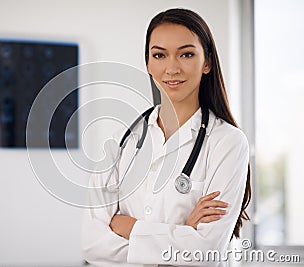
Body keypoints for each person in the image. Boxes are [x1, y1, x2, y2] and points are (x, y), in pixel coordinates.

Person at [82, 8, 251, 266]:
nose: (171, 68)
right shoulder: (121, 140)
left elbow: (205, 252)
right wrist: (182, 233)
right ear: (148, 64)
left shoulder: (227, 142)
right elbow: (91, 244)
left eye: (186, 54)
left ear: (207, 63)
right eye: (159, 55)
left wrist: (125, 226)